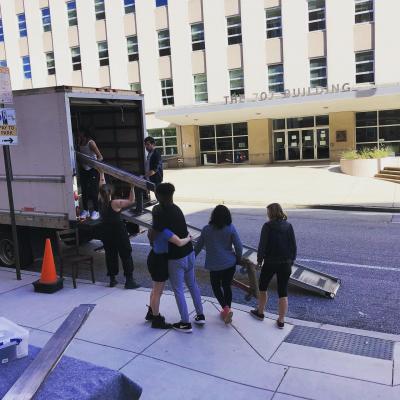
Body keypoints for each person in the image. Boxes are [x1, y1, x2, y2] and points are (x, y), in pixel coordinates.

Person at [152, 183, 204, 333]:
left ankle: (185, 323)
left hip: (176, 258)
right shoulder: (177, 209)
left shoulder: (160, 213)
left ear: (157, 195)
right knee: (193, 285)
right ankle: (200, 315)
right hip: (190, 254)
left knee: (179, 290)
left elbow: (156, 231)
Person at [250, 203, 297, 329]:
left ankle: (260, 312)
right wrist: (291, 260)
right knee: (283, 292)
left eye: (268, 212)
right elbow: (293, 246)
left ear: (271, 213)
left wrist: (260, 260)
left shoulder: (267, 226)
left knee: (263, 287)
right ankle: (281, 320)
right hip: (285, 263)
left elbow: (262, 245)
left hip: (270, 262)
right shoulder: (288, 226)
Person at [194, 205, 242, 324]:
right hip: (230, 264)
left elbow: (198, 247)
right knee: (226, 286)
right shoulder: (230, 228)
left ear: (213, 216)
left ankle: (225, 309)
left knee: (216, 287)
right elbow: (238, 246)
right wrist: (238, 258)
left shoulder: (206, 229)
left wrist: (191, 259)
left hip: (214, 265)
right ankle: (227, 311)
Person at [98, 170, 140, 289]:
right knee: (126, 254)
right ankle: (129, 280)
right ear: (111, 192)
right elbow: (131, 201)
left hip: (106, 232)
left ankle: (112, 280)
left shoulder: (100, 201)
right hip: (118, 232)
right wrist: (132, 187)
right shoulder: (115, 203)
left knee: (110, 255)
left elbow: (101, 187)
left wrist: (101, 174)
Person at [145, 226, 192, 330]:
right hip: (159, 261)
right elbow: (179, 242)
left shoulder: (152, 228)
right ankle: (156, 320)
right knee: (158, 292)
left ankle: (151, 312)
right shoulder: (164, 231)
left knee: (155, 290)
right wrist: (189, 238)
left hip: (153, 257)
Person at [78, 130, 103, 220]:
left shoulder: (91, 143)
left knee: (93, 190)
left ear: (84, 134)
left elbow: (100, 157)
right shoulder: (80, 141)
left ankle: (96, 211)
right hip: (84, 169)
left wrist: (94, 164)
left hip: (93, 169)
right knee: (84, 190)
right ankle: (86, 210)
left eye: (80, 133)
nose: (78, 134)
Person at [134, 136, 163, 214]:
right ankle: (139, 209)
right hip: (148, 180)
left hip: (155, 181)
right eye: (145, 145)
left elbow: (154, 170)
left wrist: (144, 176)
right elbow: (148, 168)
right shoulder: (150, 154)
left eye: (148, 144)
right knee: (138, 188)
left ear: (153, 144)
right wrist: (144, 175)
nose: (146, 147)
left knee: (160, 198)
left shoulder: (156, 155)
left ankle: (165, 212)